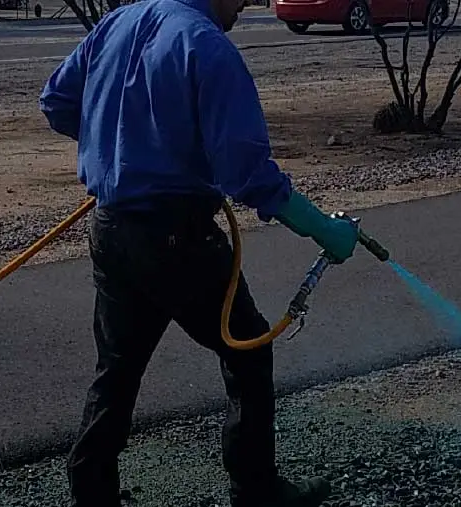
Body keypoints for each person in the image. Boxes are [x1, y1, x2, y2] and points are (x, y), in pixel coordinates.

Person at [38, 0, 360, 504]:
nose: (244, 3)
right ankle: (256, 491)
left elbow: (56, 101)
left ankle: (91, 491)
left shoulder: (118, 22)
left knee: (118, 366)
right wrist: (322, 229)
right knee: (248, 347)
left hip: (112, 230)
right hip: (175, 237)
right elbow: (248, 175)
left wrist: (122, 148)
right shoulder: (207, 47)